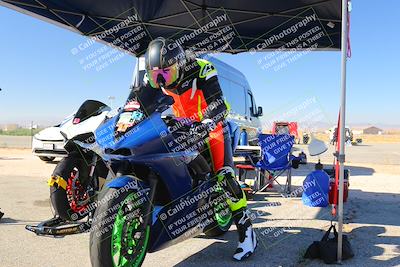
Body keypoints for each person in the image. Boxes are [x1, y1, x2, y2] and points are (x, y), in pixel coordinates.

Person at [140, 37, 257, 261]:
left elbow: (219, 104)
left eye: (167, 73)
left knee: (224, 175)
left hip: (211, 124)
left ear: (181, 64)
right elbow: (137, 102)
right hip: (180, 126)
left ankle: (247, 233)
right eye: (157, 76)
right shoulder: (152, 79)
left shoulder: (202, 70)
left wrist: (209, 122)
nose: (162, 81)